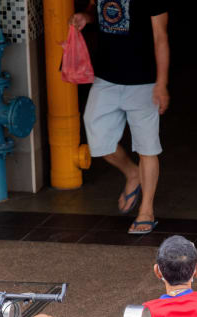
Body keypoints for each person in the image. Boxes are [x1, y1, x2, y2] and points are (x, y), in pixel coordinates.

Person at [70, 0, 169, 235]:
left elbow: (160, 38)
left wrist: (162, 83)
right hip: (105, 79)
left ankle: (146, 211)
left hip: (143, 82)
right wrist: (86, 17)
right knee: (99, 142)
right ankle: (132, 173)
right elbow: (96, 9)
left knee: (147, 148)